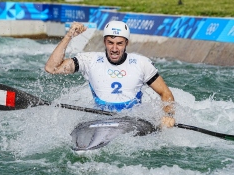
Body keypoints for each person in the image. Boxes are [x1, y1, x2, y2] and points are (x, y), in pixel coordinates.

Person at [45, 21, 175, 128]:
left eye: (119, 43)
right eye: (110, 43)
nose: (114, 49)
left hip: (133, 121)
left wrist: (168, 117)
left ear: (126, 44)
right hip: (100, 119)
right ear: (104, 42)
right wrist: (69, 36)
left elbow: (165, 93)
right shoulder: (90, 60)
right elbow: (52, 68)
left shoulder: (141, 63)